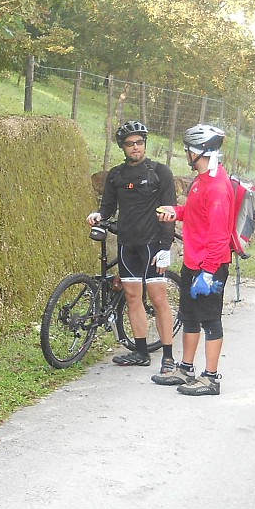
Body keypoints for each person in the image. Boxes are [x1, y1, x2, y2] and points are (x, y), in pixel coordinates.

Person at [87, 120, 177, 371]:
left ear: (145, 144)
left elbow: (169, 211)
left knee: (159, 299)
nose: (135, 147)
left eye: (139, 142)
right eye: (129, 144)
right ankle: (140, 352)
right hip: (128, 244)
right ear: (123, 147)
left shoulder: (161, 172)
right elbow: (108, 207)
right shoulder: (116, 175)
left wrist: (165, 248)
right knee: (132, 297)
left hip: (153, 244)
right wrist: (98, 215)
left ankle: (168, 356)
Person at [154, 124, 235, 396]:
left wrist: (210, 272)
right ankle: (186, 368)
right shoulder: (202, 180)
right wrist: (175, 212)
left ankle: (211, 378)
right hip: (193, 261)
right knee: (189, 317)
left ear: (200, 151)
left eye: (188, 149)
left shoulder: (218, 188)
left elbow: (220, 234)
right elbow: (195, 212)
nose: (186, 153)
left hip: (209, 264)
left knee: (210, 320)